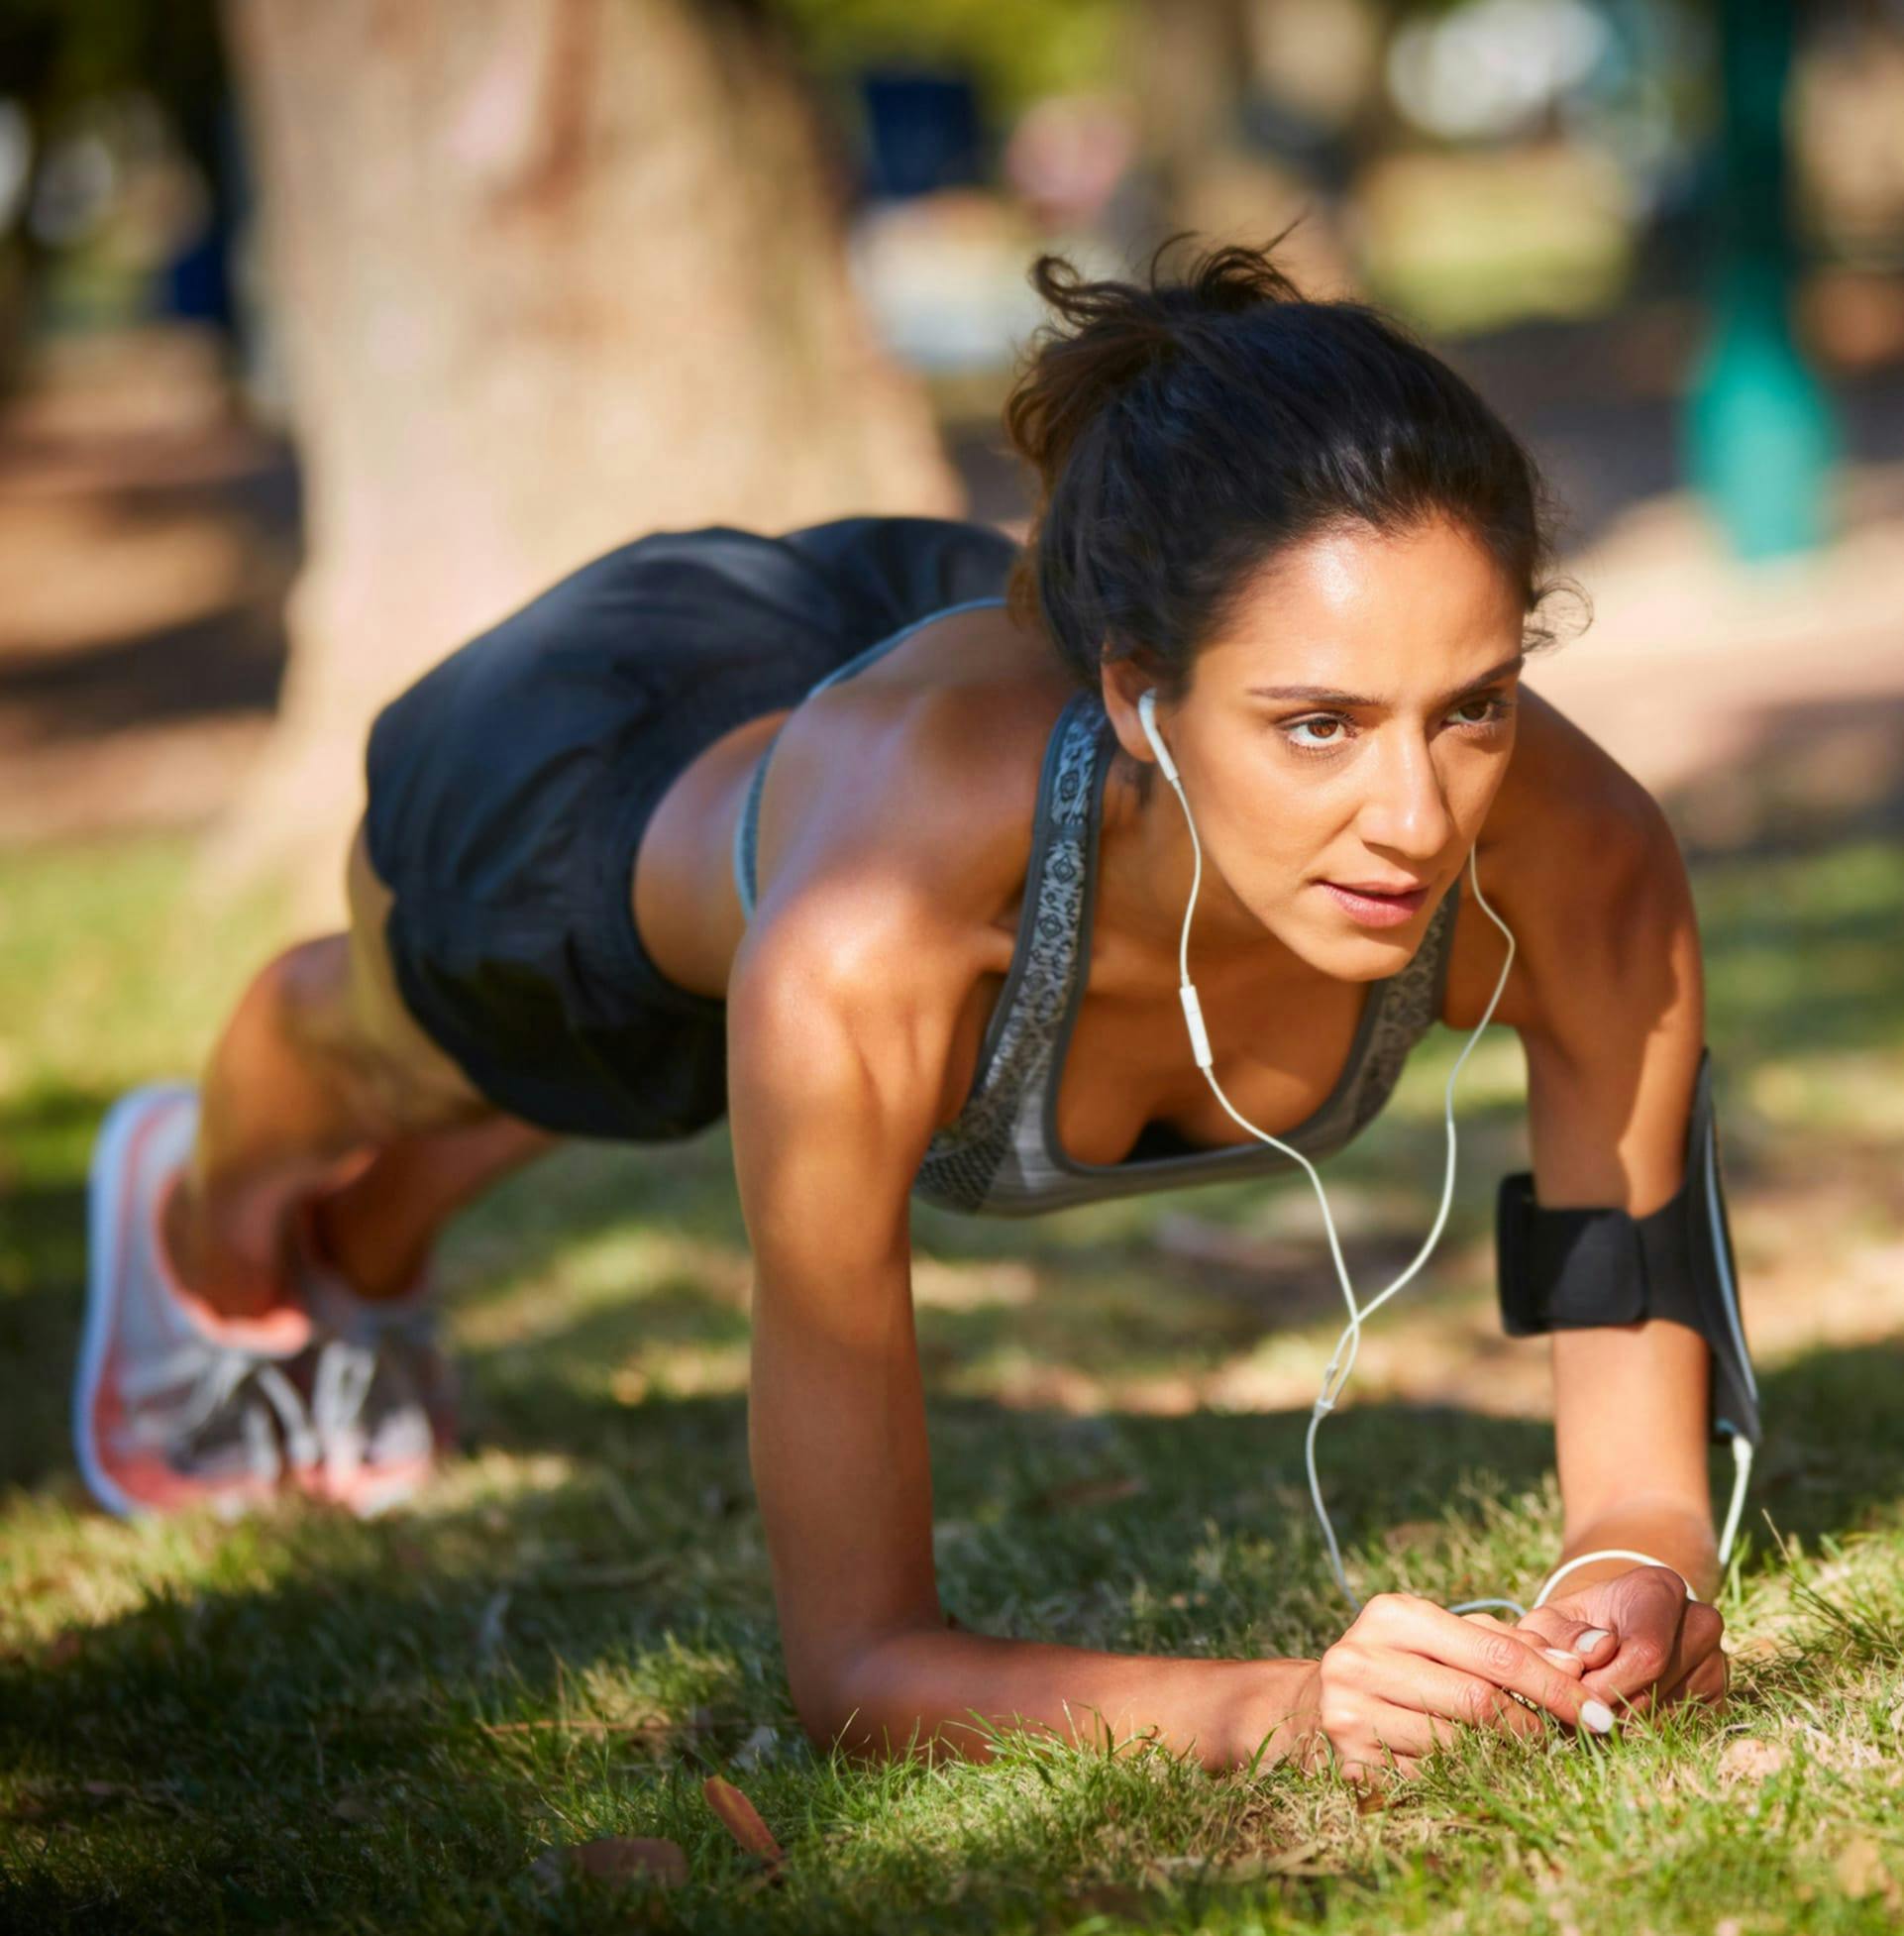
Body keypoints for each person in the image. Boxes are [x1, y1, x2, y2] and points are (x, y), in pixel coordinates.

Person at [76, 243, 1733, 1781]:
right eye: (1316, 725)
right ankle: (198, 1231)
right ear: (1134, 692)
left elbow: (1646, 1452)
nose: (1416, 819)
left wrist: (1630, 1574)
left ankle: (370, 1264)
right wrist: (1279, 1707)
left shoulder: (1577, 861)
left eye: (1474, 705)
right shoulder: (874, 936)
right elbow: (858, 1663)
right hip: (601, 769)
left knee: (612, 1121)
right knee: (419, 1052)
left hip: (941, 664)